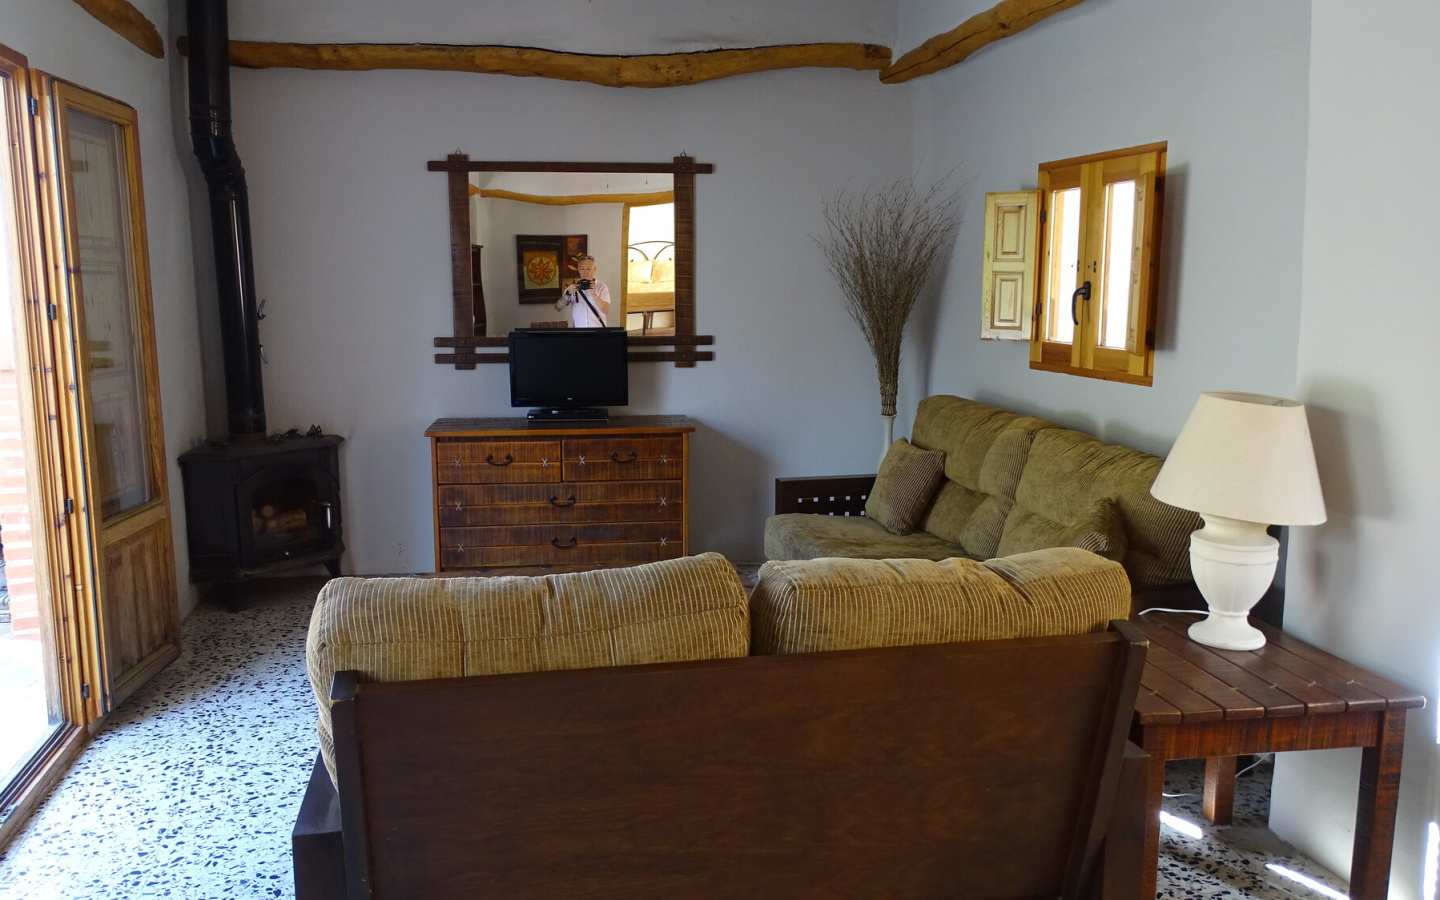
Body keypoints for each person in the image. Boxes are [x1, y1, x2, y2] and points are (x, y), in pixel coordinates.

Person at [554, 255, 611, 327]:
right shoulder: (572, 288)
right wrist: (568, 294)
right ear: (578, 270)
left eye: (589, 268)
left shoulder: (601, 287)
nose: (585, 272)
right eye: (582, 268)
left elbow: (606, 310)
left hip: (598, 331)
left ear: (594, 269)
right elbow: (558, 307)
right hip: (580, 332)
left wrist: (594, 295)